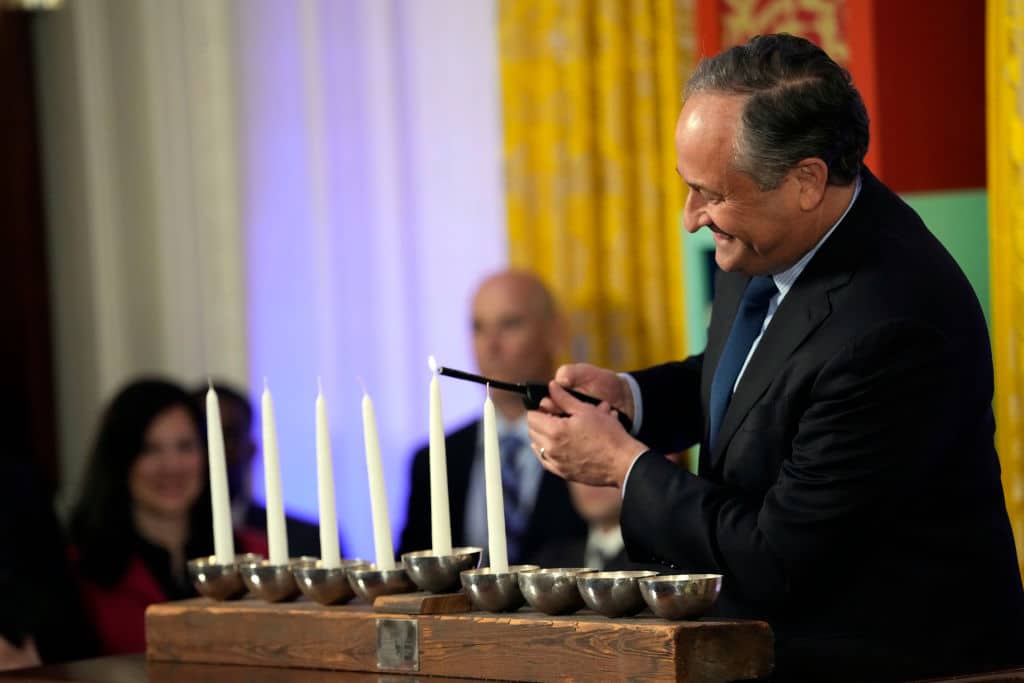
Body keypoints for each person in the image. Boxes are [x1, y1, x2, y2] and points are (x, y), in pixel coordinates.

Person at [526, 34, 1024, 681]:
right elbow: (753, 376)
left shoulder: (895, 322)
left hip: (901, 660)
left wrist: (625, 466)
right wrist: (632, 397)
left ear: (807, 180)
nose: (691, 218)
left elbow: (774, 556)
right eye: (688, 188)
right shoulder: (768, 232)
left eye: (710, 194)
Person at [399, 270, 586, 564]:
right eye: (478, 328)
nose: (491, 345)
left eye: (509, 324)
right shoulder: (434, 460)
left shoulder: (591, 439)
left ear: (555, 332)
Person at [70, 379, 267, 654]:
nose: (171, 466)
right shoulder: (78, 569)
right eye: (150, 449)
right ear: (121, 459)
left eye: (185, 446)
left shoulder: (256, 556)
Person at [196, 382, 332, 559]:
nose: (213, 450)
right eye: (201, 436)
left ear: (251, 448)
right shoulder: (166, 541)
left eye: (228, 436)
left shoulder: (308, 540)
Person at [534, 481, 660, 572]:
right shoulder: (549, 562)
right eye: (578, 464)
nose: (589, 478)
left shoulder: (666, 563)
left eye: (606, 461)